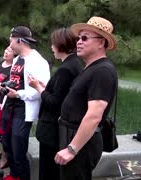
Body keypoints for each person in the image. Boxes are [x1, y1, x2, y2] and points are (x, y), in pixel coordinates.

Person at [54, 16, 118, 180]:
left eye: (84, 38)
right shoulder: (91, 68)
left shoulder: (102, 71)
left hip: (81, 144)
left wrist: (72, 149)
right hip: (72, 136)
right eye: (78, 38)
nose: (78, 42)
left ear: (101, 42)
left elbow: (94, 115)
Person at [28, 28, 83, 180]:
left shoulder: (65, 69)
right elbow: (62, 94)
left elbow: (54, 103)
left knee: (48, 172)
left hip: (52, 131)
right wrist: (46, 87)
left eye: (53, 44)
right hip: (59, 130)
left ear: (61, 45)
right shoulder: (75, 64)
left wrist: (37, 87)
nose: (52, 48)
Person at [1, 26, 50, 180]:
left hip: (23, 110)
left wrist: (19, 94)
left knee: (18, 148)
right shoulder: (17, 59)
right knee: (7, 144)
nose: (9, 45)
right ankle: (14, 175)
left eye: (11, 41)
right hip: (9, 107)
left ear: (19, 41)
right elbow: (17, 81)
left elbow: (42, 90)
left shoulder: (38, 61)